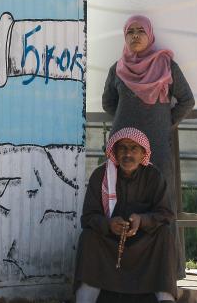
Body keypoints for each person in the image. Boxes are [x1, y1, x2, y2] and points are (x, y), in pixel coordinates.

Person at [102, 15, 194, 232]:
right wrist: (127, 120)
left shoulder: (166, 66)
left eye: (140, 31)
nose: (135, 35)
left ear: (150, 34)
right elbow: (108, 103)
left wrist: (164, 123)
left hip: (157, 148)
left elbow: (187, 100)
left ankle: (166, 264)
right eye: (130, 31)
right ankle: (124, 261)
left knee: (162, 203)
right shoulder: (117, 69)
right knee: (122, 203)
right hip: (122, 150)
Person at [74, 127, 177, 303]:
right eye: (122, 148)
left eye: (133, 149)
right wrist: (108, 224)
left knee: (164, 235)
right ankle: (85, 298)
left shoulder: (153, 176)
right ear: (114, 151)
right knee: (88, 237)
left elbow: (165, 213)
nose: (127, 154)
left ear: (143, 153)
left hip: (143, 243)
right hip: (109, 242)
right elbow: (88, 217)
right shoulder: (101, 175)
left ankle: (165, 298)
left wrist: (142, 220)